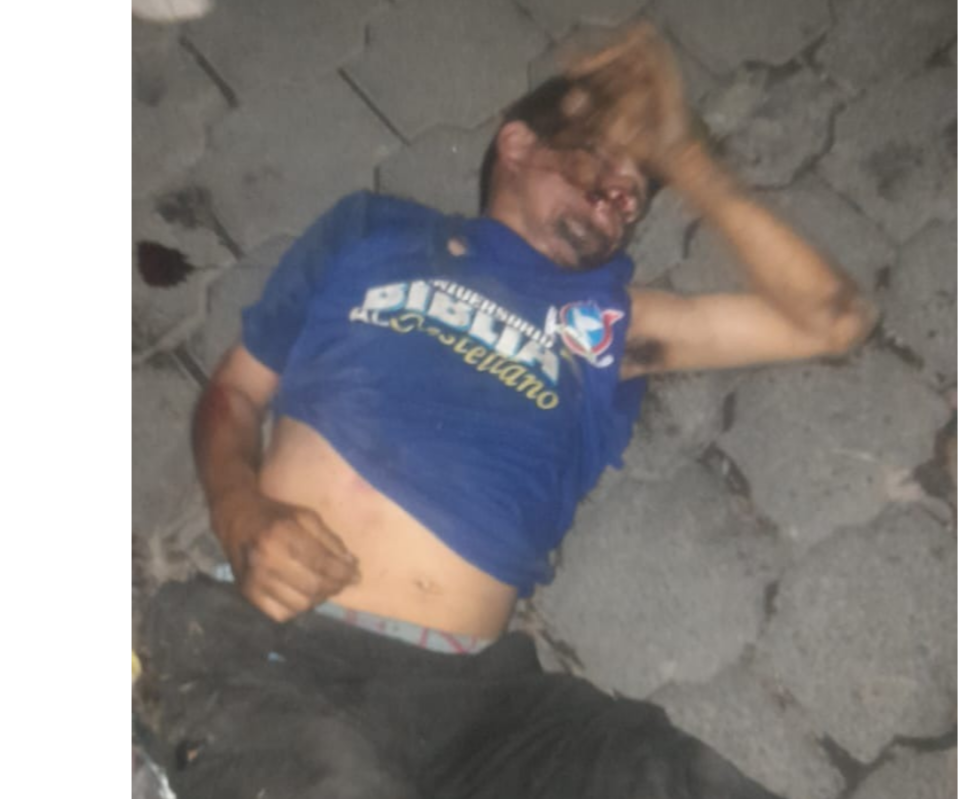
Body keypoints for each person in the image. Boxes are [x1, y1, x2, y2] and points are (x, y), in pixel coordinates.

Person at [137, 24, 876, 799]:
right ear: (517, 144)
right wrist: (238, 509)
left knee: (667, 778)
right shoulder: (370, 231)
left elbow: (831, 321)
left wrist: (684, 156)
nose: (622, 192)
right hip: (274, 651)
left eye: (636, 190)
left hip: (487, 711)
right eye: (598, 154)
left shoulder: (612, 323)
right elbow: (234, 392)